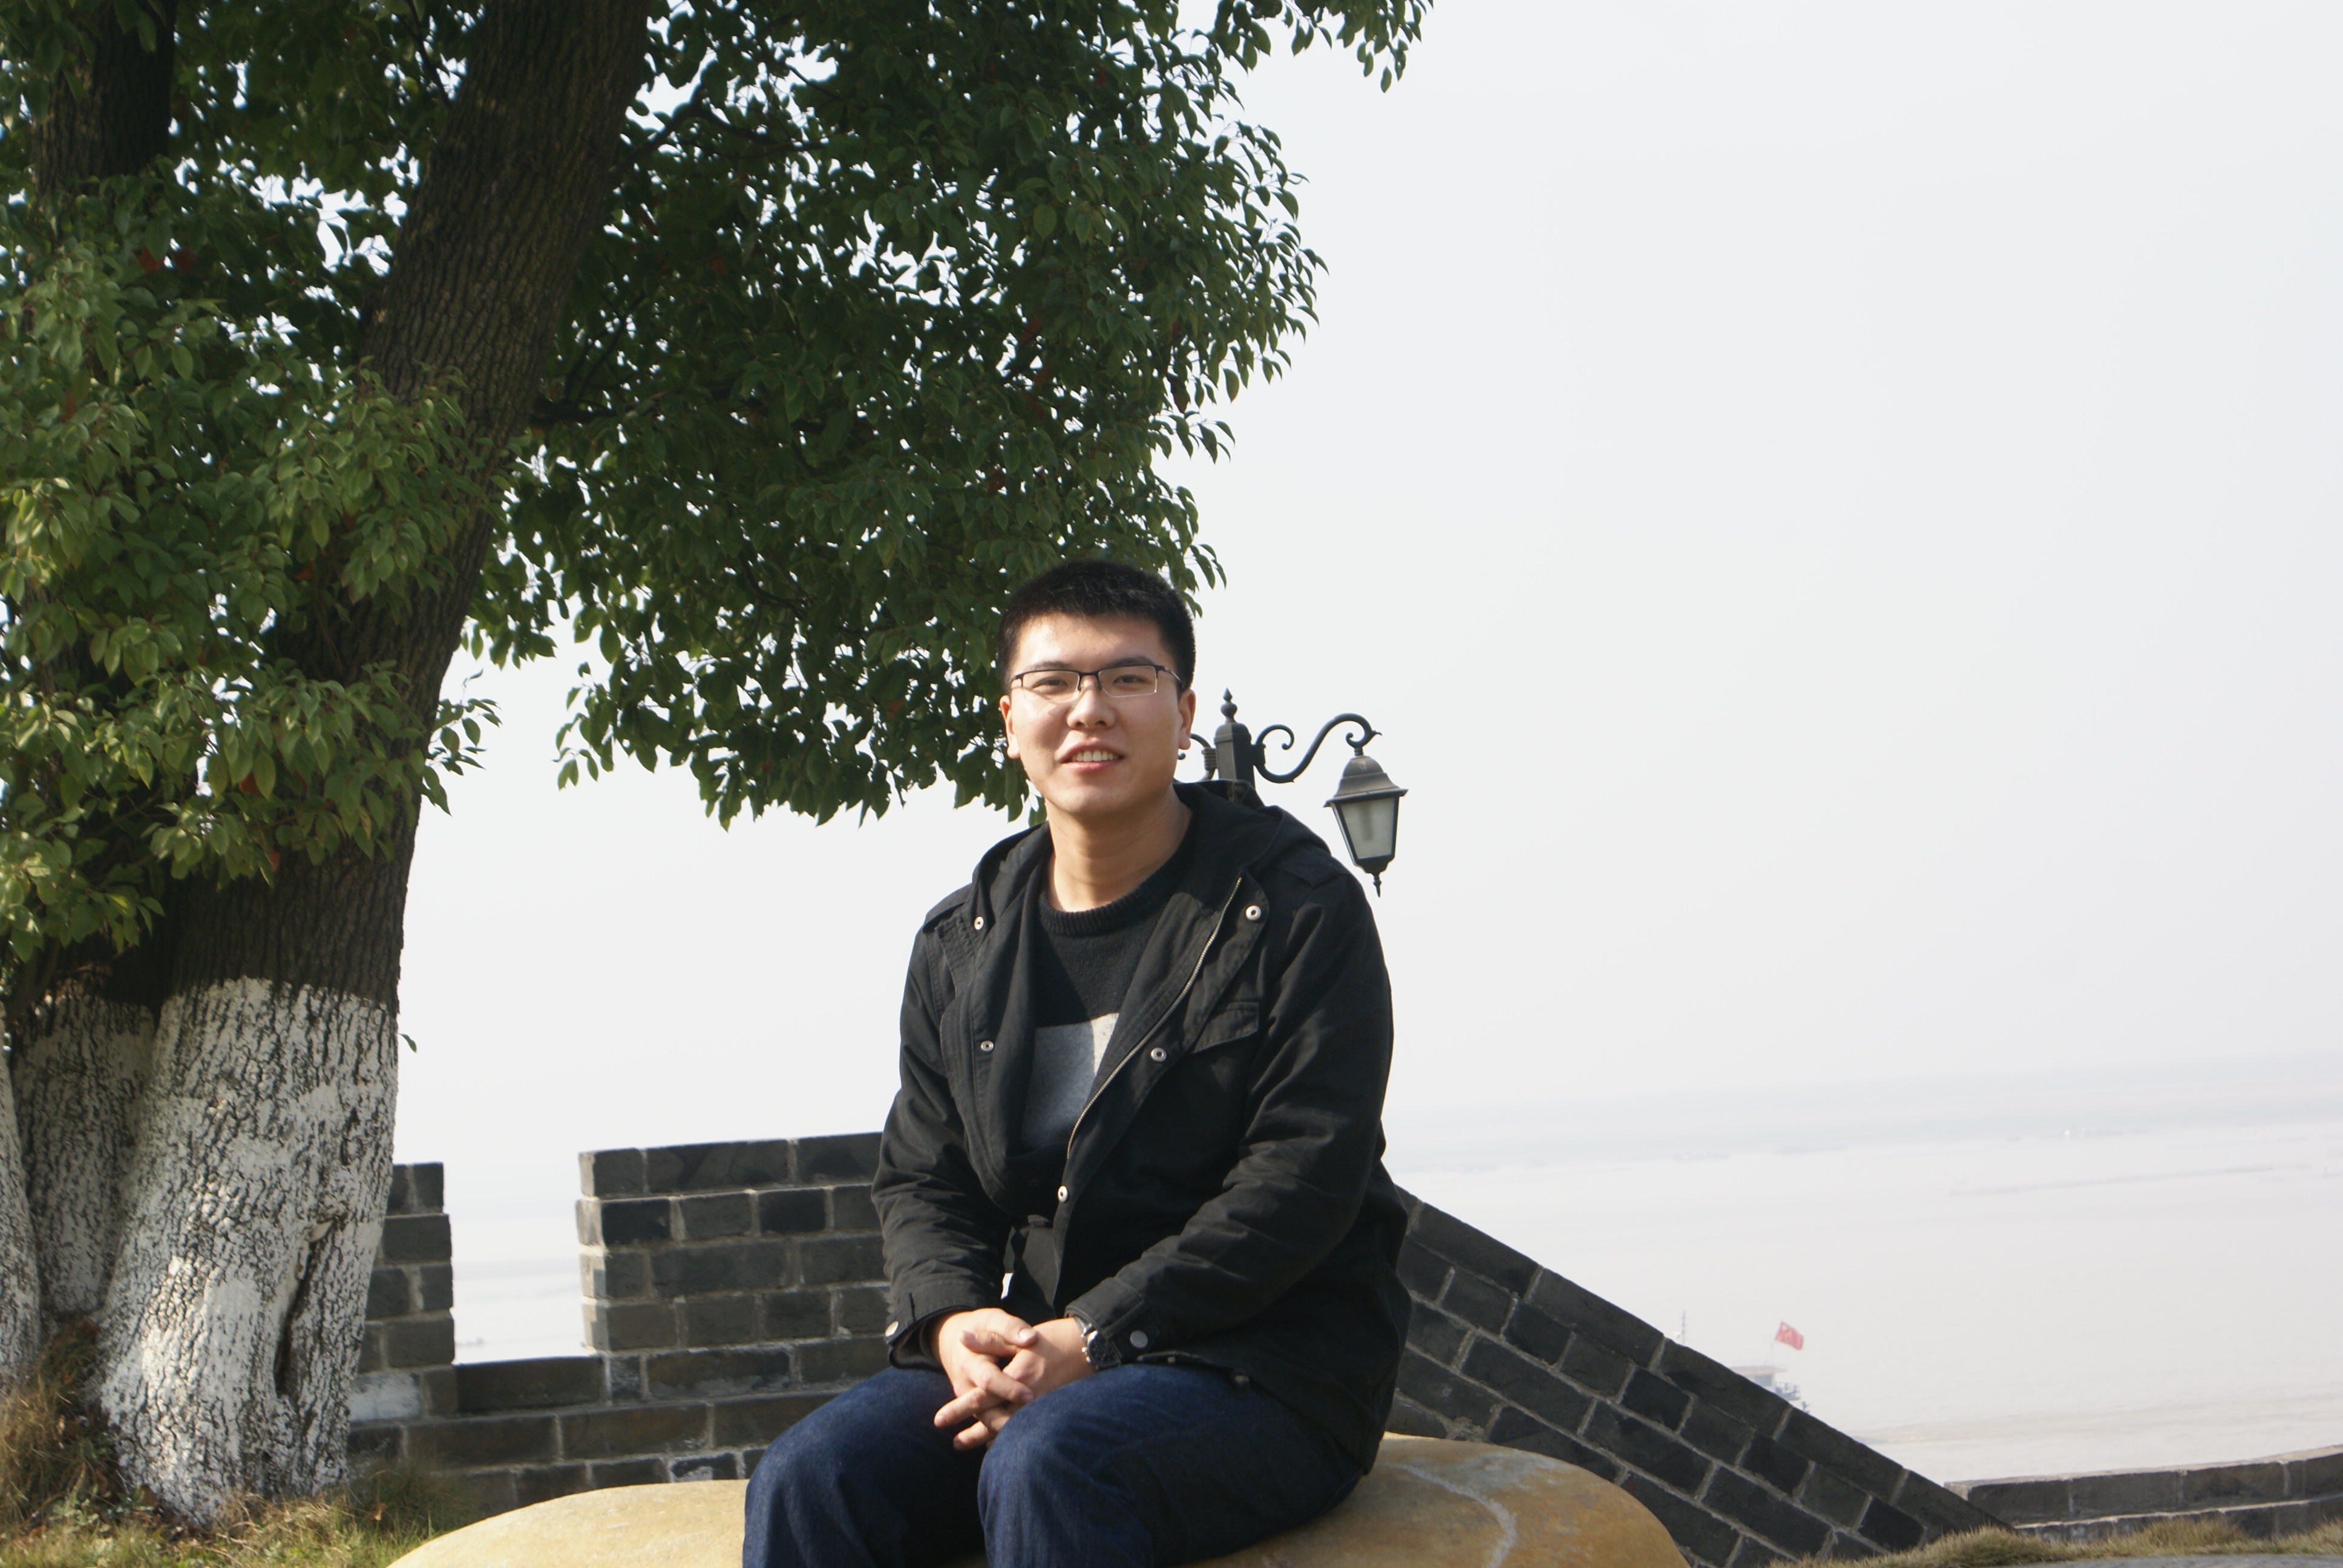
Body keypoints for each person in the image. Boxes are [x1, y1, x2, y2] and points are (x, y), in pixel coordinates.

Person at [743, 559, 1409, 1568]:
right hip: (1043, 1345)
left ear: (1184, 715)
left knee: (1054, 1463)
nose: (1089, 710)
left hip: (1270, 1363)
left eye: (1128, 679)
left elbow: (1304, 1174)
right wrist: (952, 1322)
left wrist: (1099, 1333)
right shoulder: (963, 943)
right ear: (1011, 721)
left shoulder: (1294, 909)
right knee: (811, 1477)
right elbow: (925, 1175)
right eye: (1053, 683)